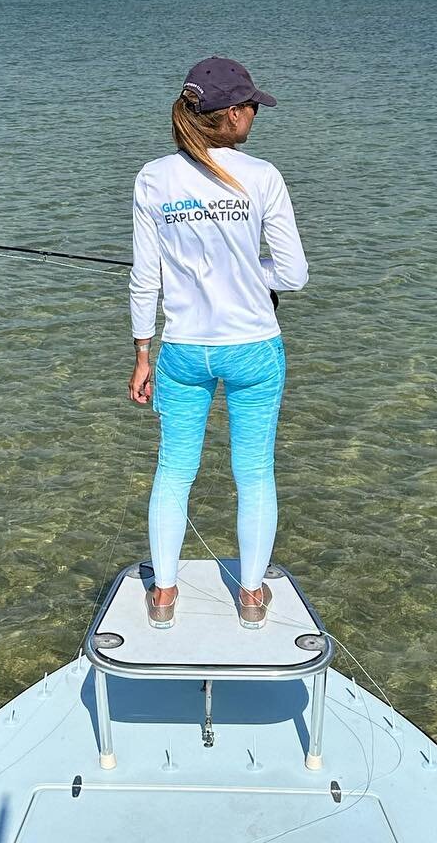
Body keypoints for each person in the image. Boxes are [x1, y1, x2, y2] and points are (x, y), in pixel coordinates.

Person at [128, 56, 309, 629]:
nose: (256, 113)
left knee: (173, 471)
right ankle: (252, 600)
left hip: (182, 351)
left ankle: (162, 597)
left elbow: (143, 279)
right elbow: (295, 274)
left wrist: (140, 354)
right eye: (253, 106)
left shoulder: (153, 178)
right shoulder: (263, 177)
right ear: (232, 114)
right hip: (255, 347)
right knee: (253, 472)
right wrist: (255, 276)